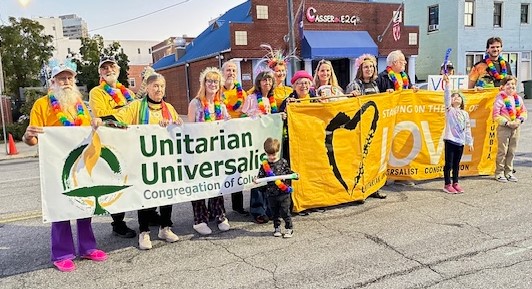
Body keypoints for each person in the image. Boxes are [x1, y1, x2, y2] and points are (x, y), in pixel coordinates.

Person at [23, 62, 107, 272]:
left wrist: (96, 125)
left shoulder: (81, 104)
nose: (67, 82)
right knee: (60, 210)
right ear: (53, 82)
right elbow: (32, 139)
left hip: (80, 165)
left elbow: (89, 132)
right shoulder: (41, 105)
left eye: (69, 78)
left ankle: (88, 248)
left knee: (84, 205)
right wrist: (27, 137)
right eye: (62, 78)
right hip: (56, 165)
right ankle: (62, 253)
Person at [106, 73, 183, 249]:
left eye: (162, 86)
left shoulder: (169, 108)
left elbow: (177, 132)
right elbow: (116, 121)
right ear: (147, 88)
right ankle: (144, 232)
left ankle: (165, 227)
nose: (159, 89)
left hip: (164, 162)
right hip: (143, 161)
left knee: (166, 195)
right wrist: (99, 121)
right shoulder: (136, 107)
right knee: (145, 197)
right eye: (155, 86)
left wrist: (177, 123)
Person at [88, 55, 139, 239]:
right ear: (100, 73)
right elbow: (103, 116)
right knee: (117, 181)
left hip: (128, 142)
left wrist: (126, 113)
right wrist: (124, 112)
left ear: (118, 70)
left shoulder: (128, 94)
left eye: (112, 67)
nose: (109, 70)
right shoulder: (96, 93)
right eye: (105, 68)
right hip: (111, 143)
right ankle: (118, 223)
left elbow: (135, 116)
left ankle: (149, 214)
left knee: (135, 179)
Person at [188, 67, 231, 235]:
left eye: (216, 81)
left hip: (217, 153)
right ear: (203, 83)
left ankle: (219, 215)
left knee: (216, 184)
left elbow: (228, 125)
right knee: (199, 184)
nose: (212, 84)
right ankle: (200, 219)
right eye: (209, 81)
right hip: (199, 152)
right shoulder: (196, 103)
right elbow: (188, 130)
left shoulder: (221, 105)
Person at [344, 54, 387, 199]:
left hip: (374, 127)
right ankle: (359, 190)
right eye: (365, 67)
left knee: (373, 159)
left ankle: (373, 188)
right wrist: (351, 96)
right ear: (360, 69)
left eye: (371, 67)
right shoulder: (354, 85)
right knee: (359, 160)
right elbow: (346, 106)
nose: (369, 69)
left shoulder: (376, 84)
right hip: (359, 128)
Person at [376, 50, 418, 186]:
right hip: (389, 118)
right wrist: (386, 94)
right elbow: (378, 97)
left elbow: (408, 89)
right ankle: (386, 176)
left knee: (402, 146)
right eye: (402, 61)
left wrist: (413, 89)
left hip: (404, 117)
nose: (405, 63)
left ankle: (402, 175)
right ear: (394, 63)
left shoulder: (406, 76)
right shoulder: (382, 77)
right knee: (388, 146)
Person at [242, 70, 277, 223]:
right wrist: (252, 115)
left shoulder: (271, 99)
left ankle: (269, 208)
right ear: (259, 82)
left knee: (269, 175)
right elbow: (242, 116)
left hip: (268, 141)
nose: (267, 83)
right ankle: (257, 210)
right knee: (258, 175)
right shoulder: (251, 98)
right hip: (255, 141)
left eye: (269, 80)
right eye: (264, 80)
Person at [220, 60, 249, 216]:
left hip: (236, 136)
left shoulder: (242, 93)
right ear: (222, 73)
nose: (231, 73)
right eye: (228, 70)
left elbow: (245, 112)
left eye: (233, 70)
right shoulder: (217, 91)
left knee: (236, 169)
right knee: (220, 171)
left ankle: (237, 205)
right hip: (221, 135)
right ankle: (218, 209)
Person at [255, 138, 296, 238]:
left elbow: (288, 172)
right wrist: (256, 179)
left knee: (285, 212)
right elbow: (261, 176)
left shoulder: (283, 162)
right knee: (275, 212)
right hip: (271, 193)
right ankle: (277, 227)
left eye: (273, 154)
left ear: (278, 152)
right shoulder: (265, 165)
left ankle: (289, 228)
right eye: (269, 155)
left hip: (283, 193)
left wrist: (294, 175)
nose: (271, 157)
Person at [441, 74, 474, 194]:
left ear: (462, 100)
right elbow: (446, 97)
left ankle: (455, 182)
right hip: (450, 140)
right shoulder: (449, 110)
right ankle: (447, 184)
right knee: (448, 164)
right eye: (453, 97)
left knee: (456, 164)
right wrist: (447, 84)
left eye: (458, 97)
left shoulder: (465, 114)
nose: (455, 98)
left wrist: (469, 142)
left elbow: (467, 129)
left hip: (460, 142)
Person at [492, 75, 527, 183]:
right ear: (502, 87)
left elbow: (524, 112)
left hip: (516, 127)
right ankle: (499, 172)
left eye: (512, 84)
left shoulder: (518, 98)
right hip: (504, 128)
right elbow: (496, 115)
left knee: (512, 151)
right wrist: (507, 122)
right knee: (502, 151)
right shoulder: (499, 99)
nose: (510, 86)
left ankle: (509, 172)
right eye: (508, 84)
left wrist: (519, 120)